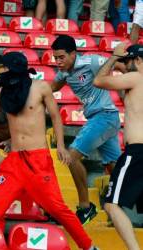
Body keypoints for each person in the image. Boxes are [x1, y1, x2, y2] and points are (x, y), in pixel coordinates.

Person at [0, 52, 98, 250]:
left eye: (3, 67)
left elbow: (57, 118)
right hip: (13, 161)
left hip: (38, 160)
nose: (0, 71)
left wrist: (59, 145)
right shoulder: (1, 92)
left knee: (58, 208)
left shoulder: (41, 88)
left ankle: (89, 246)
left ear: (13, 68)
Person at [51, 35, 121, 224]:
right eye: (55, 57)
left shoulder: (91, 61)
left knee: (70, 156)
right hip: (102, 118)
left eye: (61, 57)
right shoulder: (64, 72)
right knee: (115, 167)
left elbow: (119, 65)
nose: (57, 61)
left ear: (73, 54)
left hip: (104, 116)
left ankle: (85, 207)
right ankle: (120, 212)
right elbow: (50, 88)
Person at [94, 43, 143, 250]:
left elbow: (98, 81)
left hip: (138, 152)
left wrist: (114, 58)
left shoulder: (137, 77)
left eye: (127, 62)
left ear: (138, 61)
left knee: (111, 204)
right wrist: (123, 64)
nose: (124, 66)